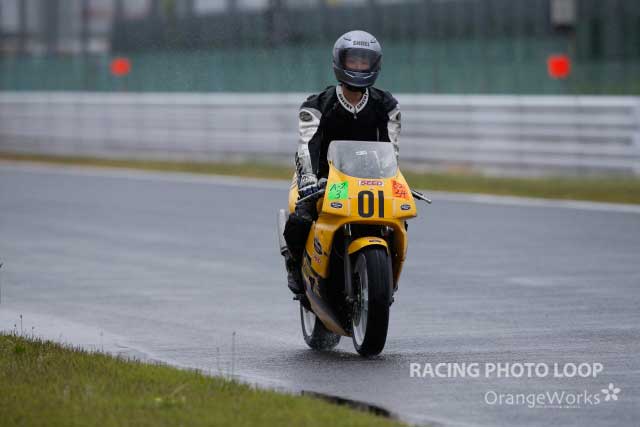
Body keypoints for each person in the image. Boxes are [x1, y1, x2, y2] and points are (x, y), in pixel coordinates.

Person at [282, 30, 401, 295]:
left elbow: (392, 150)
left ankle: (386, 278)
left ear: (375, 64)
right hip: (331, 182)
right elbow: (306, 144)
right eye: (353, 60)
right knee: (302, 217)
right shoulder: (318, 104)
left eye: (364, 61)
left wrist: (393, 180)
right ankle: (294, 265)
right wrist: (309, 179)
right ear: (340, 62)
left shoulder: (386, 105)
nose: (358, 66)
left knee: (398, 218)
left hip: (371, 181)